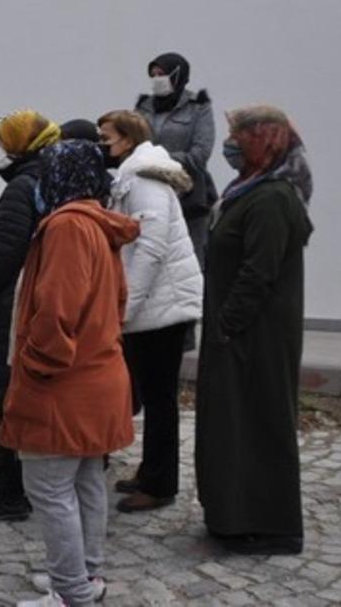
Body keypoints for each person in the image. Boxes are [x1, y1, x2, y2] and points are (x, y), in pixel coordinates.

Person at [0, 141, 139, 607]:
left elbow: (57, 309)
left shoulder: (66, 226)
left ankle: (72, 592)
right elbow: (117, 301)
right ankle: (85, 577)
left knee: (51, 489)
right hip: (98, 374)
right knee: (84, 483)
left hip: (64, 382)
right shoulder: (97, 223)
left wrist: (37, 366)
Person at [195, 105, 313, 555]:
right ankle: (231, 514)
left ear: (266, 139)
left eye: (240, 134)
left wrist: (227, 325)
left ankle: (269, 523)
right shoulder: (249, 189)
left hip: (255, 337)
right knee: (232, 425)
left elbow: (259, 272)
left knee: (259, 423)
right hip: (236, 334)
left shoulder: (273, 198)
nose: (231, 142)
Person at [0, 110, 63, 521]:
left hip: (10, 306)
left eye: (5, 141)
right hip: (30, 299)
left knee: (10, 399)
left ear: (22, 144)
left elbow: (5, 256)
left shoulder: (24, 186)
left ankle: (10, 494)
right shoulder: (51, 178)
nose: (0, 148)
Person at [97, 110, 203, 514]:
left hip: (162, 307)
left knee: (160, 402)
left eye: (107, 137)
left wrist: (126, 306)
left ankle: (160, 484)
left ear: (127, 138)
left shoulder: (143, 178)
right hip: (155, 306)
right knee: (154, 396)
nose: (102, 144)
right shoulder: (135, 173)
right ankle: (150, 472)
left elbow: (151, 248)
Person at [134, 52, 216, 269]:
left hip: (188, 197)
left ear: (176, 75)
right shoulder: (143, 107)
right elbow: (132, 144)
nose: (156, 79)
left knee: (189, 262)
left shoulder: (198, 107)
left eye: (161, 74)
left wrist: (159, 159)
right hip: (148, 191)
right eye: (153, 75)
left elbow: (200, 154)